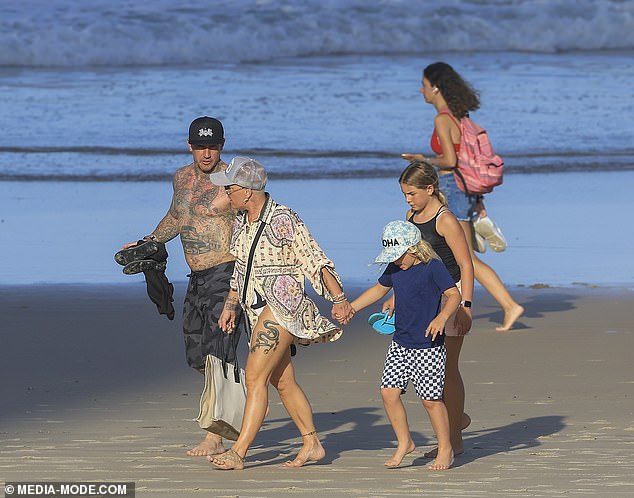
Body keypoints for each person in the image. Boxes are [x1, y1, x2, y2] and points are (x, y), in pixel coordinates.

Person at [207, 157, 354, 471]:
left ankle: (239, 452)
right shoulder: (243, 221)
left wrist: (339, 299)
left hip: (282, 307)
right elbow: (241, 269)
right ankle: (312, 443)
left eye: (231, 187)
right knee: (282, 381)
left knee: (254, 377)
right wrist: (232, 305)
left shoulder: (284, 218)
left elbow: (315, 258)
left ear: (248, 191)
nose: (227, 193)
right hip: (254, 309)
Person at [120, 116, 242, 457]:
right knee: (197, 356)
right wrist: (149, 241)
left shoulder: (235, 181)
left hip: (228, 273)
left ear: (222, 145)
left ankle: (215, 435)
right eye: (200, 146)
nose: (207, 153)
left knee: (220, 352)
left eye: (213, 146)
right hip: (197, 279)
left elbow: (256, 222)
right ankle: (236, 405)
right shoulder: (181, 178)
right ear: (189, 145)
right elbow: (176, 217)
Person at [401, 61, 524, 332]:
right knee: (463, 255)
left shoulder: (443, 119)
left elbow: (450, 159)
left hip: (452, 188)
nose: (420, 90)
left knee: (466, 258)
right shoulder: (459, 115)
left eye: (423, 85)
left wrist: (422, 159)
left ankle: (509, 305)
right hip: (463, 189)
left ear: (435, 87)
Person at [350, 220, 461, 470]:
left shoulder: (433, 268)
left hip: (428, 345)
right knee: (388, 393)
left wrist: (442, 318)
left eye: (398, 256)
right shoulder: (396, 267)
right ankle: (405, 442)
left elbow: (454, 295)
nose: (396, 261)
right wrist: (352, 308)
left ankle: (446, 448)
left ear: (413, 249)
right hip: (400, 342)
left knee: (431, 400)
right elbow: (378, 290)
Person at [385, 160, 473, 458]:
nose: (407, 200)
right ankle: (454, 424)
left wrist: (466, 306)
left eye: (411, 194)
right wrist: (396, 295)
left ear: (430, 189)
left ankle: (455, 439)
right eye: (404, 195)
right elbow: (408, 258)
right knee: (433, 370)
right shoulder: (410, 216)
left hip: (451, 295)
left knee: (447, 367)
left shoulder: (446, 219)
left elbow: (465, 265)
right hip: (423, 296)